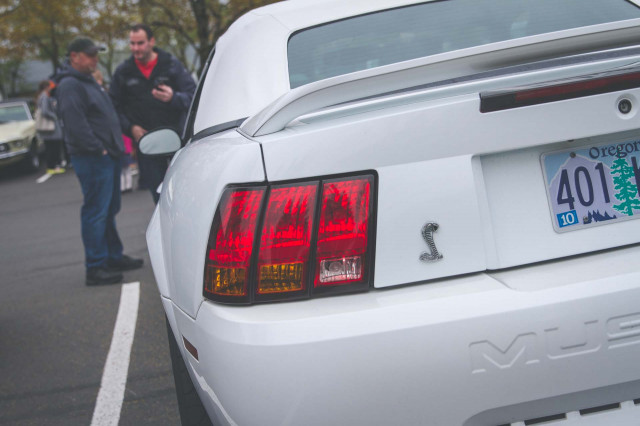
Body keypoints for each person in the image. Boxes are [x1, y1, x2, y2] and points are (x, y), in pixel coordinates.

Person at [54, 37, 143, 286]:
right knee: (96, 211)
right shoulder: (71, 84)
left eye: (96, 54)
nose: (95, 59)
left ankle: (112, 256)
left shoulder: (86, 81)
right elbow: (75, 124)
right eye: (90, 54)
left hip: (107, 157)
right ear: (75, 56)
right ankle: (95, 267)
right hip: (93, 158)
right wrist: (98, 149)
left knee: (107, 211)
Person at [110, 23, 196, 204]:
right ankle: (164, 231)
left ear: (151, 42)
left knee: (185, 195)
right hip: (147, 144)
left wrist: (174, 97)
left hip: (176, 140)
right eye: (132, 44)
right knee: (159, 199)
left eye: (140, 43)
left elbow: (193, 96)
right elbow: (114, 107)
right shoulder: (123, 72)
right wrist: (130, 127)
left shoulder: (171, 65)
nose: (135, 48)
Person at [36, 80, 65, 174]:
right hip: (51, 127)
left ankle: (52, 166)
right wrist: (54, 117)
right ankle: (53, 166)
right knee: (53, 147)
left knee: (50, 146)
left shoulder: (41, 96)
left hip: (48, 129)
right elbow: (45, 111)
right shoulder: (45, 97)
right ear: (46, 87)